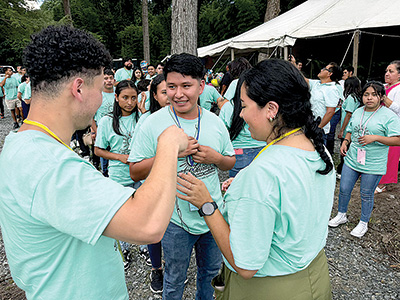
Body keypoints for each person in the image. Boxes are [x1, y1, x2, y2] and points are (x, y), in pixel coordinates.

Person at [0, 25, 189, 299]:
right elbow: (148, 224)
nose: (103, 98)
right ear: (78, 88)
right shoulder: (47, 163)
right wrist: (169, 145)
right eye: (102, 88)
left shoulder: (23, 145)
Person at [177, 59, 335, 299]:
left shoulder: (263, 175)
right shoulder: (319, 153)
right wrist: (244, 190)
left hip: (270, 288)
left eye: (244, 105)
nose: (240, 113)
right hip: (314, 276)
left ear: (271, 109)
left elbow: (245, 265)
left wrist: (206, 204)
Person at [129, 53, 235, 300]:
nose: (178, 94)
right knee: (175, 277)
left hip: (212, 216)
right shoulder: (152, 123)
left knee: (210, 273)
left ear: (201, 85)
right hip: (174, 221)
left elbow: (230, 161)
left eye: (186, 86)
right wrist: (169, 153)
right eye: (171, 87)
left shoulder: (215, 123)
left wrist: (215, 158)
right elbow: (134, 170)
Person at [329, 81, 400, 237]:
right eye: (366, 94)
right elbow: (350, 130)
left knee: (366, 193)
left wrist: (375, 138)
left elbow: (397, 139)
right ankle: (341, 215)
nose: (369, 98)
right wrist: (346, 142)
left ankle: (363, 223)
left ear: (381, 97)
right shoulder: (358, 111)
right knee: (344, 189)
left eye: (374, 95)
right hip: (353, 157)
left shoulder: (389, 116)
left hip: (373, 163)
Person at [128, 73, 169, 294]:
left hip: (177, 185)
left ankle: (172, 268)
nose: (170, 96)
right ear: (154, 95)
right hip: (152, 183)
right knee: (155, 230)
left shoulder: (185, 117)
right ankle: (157, 268)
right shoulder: (146, 121)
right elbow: (135, 165)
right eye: (164, 92)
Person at [94, 79, 140, 267]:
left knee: (142, 213)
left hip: (141, 176)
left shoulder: (142, 118)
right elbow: (98, 150)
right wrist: (119, 157)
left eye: (134, 98)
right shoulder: (106, 122)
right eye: (125, 98)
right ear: (116, 97)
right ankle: (125, 249)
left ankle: (144, 247)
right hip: (118, 176)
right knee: (121, 215)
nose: (130, 102)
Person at [219, 75, 266, 178]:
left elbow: (221, 133)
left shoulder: (228, 107)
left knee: (237, 186)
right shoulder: (263, 106)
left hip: (238, 152)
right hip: (263, 149)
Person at [375, 60, 400, 193]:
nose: (387, 74)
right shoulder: (384, 86)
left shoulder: (399, 88)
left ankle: (383, 184)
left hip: (393, 127)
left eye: (391, 71)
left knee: (390, 155)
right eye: (386, 71)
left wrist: (385, 100)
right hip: (381, 124)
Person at [336, 77, 362, 177]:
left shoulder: (351, 98)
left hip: (348, 129)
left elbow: (348, 115)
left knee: (344, 150)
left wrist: (342, 130)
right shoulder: (357, 97)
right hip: (354, 128)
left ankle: (342, 172)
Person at [92, 68, 116, 176]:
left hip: (116, 133)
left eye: (111, 78)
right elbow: (91, 116)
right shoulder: (97, 95)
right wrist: (96, 131)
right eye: (106, 78)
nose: (109, 81)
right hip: (102, 133)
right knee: (105, 162)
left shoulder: (118, 93)